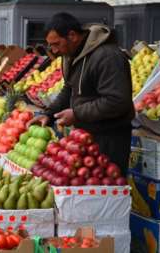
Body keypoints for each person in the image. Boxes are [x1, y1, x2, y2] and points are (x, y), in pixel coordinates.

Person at [29, 12, 134, 175]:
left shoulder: (107, 57)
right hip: (85, 136)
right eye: (51, 46)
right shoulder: (73, 55)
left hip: (109, 139)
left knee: (105, 189)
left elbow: (117, 101)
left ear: (72, 35)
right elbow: (69, 89)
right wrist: (49, 115)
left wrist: (77, 113)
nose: (54, 51)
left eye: (56, 44)